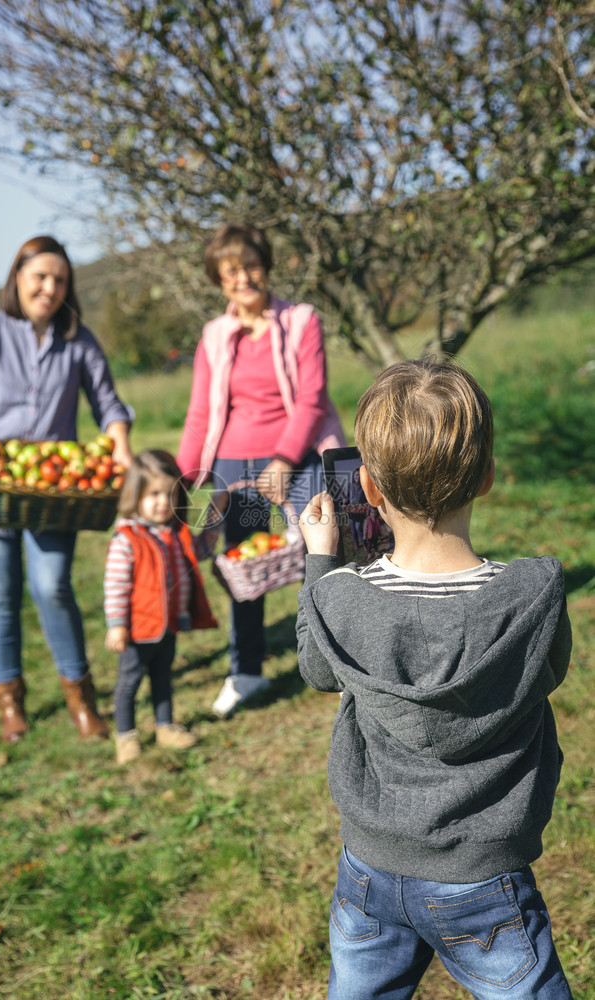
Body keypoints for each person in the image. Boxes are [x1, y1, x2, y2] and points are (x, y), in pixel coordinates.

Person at [296, 359, 573, 999]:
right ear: (489, 477)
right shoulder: (534, 594)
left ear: (367, 486)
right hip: (487, 878)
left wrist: (321, 561)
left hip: (368, 868)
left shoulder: (344, 599)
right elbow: (549, 672)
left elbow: (315, 666)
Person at [0, 235, 134, 744]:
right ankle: (10, 699)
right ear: (18, 279)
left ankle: (80, 695)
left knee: (52, 586)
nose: (49, 288)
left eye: (60, 280)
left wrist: (119, 442)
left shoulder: (79, 341)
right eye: (39, 277)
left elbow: (109, 405)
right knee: (0, 597)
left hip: (55, 491)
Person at [176, 222, 345, 718]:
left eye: (251, 266)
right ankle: (246, 671)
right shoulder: (214, 335)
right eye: (231, 271)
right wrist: (186, 479)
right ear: (218, 278)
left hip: (296, 456)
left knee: (322, 556)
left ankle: (340, 667)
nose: (243, 277)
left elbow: (312, 398)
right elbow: (200, 414)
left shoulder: (300, 321)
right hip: (235, 465)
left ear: (265, 267)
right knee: (244, 567)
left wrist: (284, 461)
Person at [104, 450, 224, 763]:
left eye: (169, 495)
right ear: (136, 495)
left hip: (168, 623)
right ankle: (126, 734)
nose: (162, 503)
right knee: (129, 682)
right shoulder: (127, 539)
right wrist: (117, 624)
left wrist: (213, 520)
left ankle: (164, 725)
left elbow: (198, 552)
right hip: (139, 629)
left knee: (162, 676)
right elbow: (116, 586)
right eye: (153, 494)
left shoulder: (174, 532)